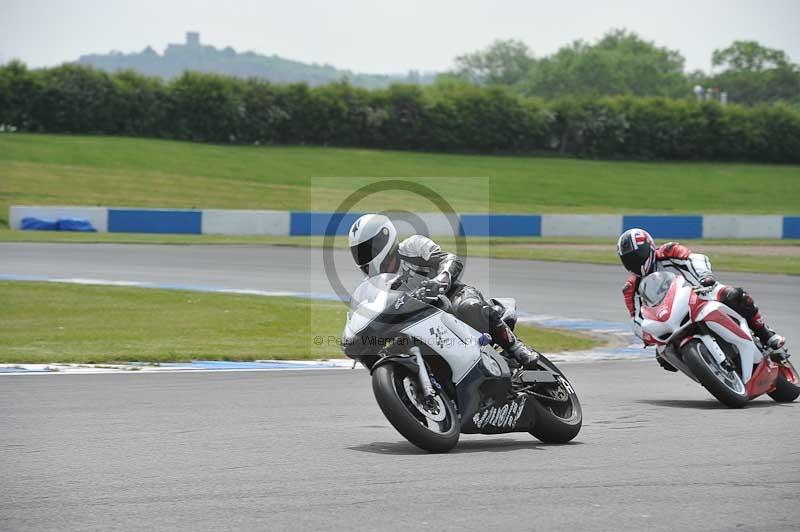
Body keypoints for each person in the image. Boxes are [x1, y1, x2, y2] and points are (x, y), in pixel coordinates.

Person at [348, 213, 538, 368]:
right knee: (393, 353)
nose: (363, 257)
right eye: (358, 252)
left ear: (384, 238)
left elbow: (449, 259)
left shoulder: (413, 246)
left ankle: (515, 347)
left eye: (366, 249)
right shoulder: (371, 289)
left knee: (469, 307)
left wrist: (441, 279)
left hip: (451, 298)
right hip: (417, 325)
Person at [617, 228, 787, 371]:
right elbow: (637, 318)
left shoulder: (668, 252)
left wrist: (705, 277)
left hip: (701, 295)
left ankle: (765, 333)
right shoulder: (630, 288)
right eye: (629, 259)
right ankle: (708, 370)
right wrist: (646, 334)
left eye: (638, 254)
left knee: (735, 295)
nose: (636, 261)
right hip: (669, 318)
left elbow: (695, 259)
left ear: (650, 247)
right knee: (664, 358)